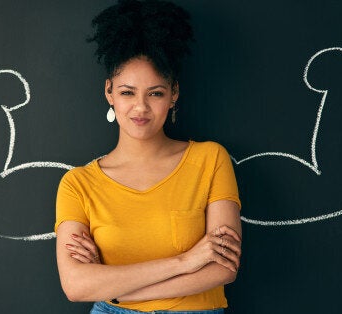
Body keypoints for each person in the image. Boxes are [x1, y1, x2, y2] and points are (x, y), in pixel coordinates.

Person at [54, 0, 242, 313]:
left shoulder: (210, 160)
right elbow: (76, 286)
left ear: (174, 94)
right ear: (109, 93)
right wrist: (187, 261)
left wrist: (114, 288)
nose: (140, 107)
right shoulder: (78, 184)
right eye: (127, 92)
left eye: (155, 93)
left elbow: (224, 268)